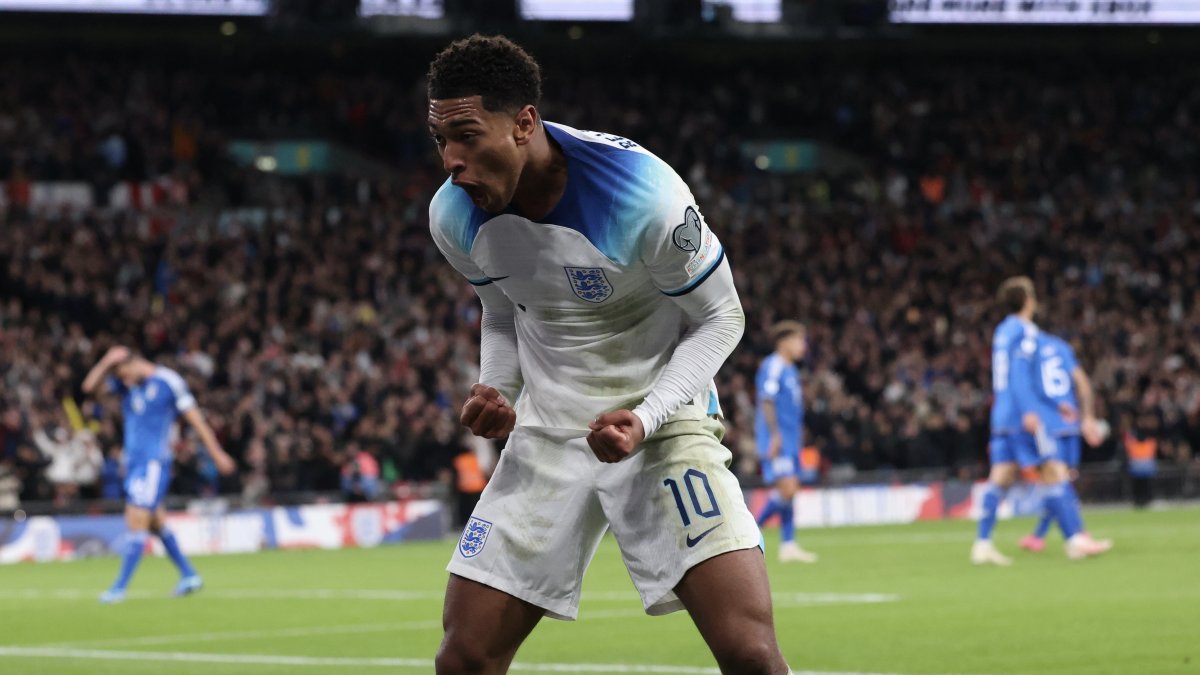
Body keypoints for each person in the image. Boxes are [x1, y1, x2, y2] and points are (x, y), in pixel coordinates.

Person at [427, 35, 794, 674]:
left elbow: (721, 317)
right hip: (548, 432)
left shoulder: (641, 194)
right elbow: (504, 315)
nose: (452, 161)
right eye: (440, 140)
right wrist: (495, 388)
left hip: (663, 426)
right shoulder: (454, 216)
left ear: (523, 125)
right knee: (463, 659)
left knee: (751, 656)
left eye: (467, 135)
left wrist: (646, 416)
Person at [82, 346, 236, 603]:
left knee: (136, 519)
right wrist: (107, 360)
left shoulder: (168, 382)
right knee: (156, 523)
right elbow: (89, 388)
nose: (124, 381)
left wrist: (217, 454)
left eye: (124, 373)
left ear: (135, 362)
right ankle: (189, 575)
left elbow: (196, 420)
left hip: (153, 464)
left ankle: (119, 588)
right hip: (133, 465)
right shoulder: (128, 384)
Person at [972, 278, 1108, 566]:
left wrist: (1051, 404)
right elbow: (1020, 376)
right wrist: (1032, 410)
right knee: (1054, 471)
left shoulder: (1002, 331)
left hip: (1002, 415)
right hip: (1022, 415)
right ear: (1028, 300)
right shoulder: (1026, 332)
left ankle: (982, 544)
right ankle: (1075, 539)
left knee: (1001, 477)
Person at [1019, 331, 1113, 553]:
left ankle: (1075, 537)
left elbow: (1023, 386)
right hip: (1070, 422)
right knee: (1060, 481)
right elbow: (1083, 383)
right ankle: (1049, 536)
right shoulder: (1063, 348)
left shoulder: (1027, 350)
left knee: (1055, 482)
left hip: (1048, 423)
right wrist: (1088, 417)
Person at [753, 321, 817, 563]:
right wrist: (775, 435)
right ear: (784, 342)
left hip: (790, 439)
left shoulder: (790, 370)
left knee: (790, 491)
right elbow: (766, 401)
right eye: (799, 340)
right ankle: (751, 531)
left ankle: (788, 545)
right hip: (777, 439)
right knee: (787, 488)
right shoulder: (773, 366)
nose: (803, 346)